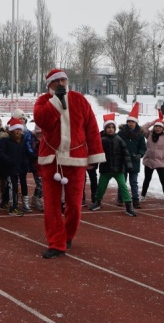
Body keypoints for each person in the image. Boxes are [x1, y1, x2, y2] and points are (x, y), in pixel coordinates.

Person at [33, 68, 105, 259]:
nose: (62, 83)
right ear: (50, 84)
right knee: (52, 204)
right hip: (51, 159)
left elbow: (91, 127)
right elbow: (42, 121)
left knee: (74, 203)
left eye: (64, 80)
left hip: (77, 158)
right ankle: (56, 242)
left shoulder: (80, 99)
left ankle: (68, 235)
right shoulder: (43, 101)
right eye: (57, 81)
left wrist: (95, 155)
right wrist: (57, 101)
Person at [89, 114, 137, 216]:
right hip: (105, 169)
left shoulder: (119, 139)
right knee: (101, 187)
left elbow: (126, 153)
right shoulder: (101, 140)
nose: (110, 130)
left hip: (118, 169)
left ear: (115, 129)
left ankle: (128, 206)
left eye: (112, 128)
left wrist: (129, 165)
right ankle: (97, 202)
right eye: (108, 127)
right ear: (105, 129)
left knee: (123, 186)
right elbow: (97, 153)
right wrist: (93, 164)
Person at [139, 114, 164, 208]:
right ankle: (143, 196)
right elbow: (142, 128)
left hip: (160, 162)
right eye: (156, 126)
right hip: (149, 161)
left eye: (159, 127)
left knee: (163, 181)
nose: (157, 128)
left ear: (162, 128)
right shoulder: (149, 134)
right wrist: (152, 122)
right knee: (147, 179)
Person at [116, 102, 147, 209]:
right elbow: (117, 144)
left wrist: (140, 154)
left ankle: (135, 200)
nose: (130, 124)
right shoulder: (121, 133)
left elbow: (143, 147)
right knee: (122, 181)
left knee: (133, 182)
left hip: (134, 161)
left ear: (136, 123)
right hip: (123, 161)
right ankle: (120, 198)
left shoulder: (140, 134)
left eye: (132, 122)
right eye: (129, 121)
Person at [0, 118, 29, 216]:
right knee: (13, 187)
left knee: (9, 186)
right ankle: (13, 207)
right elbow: (0, 153)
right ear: (11, 130)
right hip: (8, 167)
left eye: (20, 129)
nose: (18, 131)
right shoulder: (5, 140)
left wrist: (24, 163)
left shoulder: (22, 140)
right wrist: (9, 160)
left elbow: (24, 153)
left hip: (18, 167)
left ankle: (4, 202)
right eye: (16, 129)